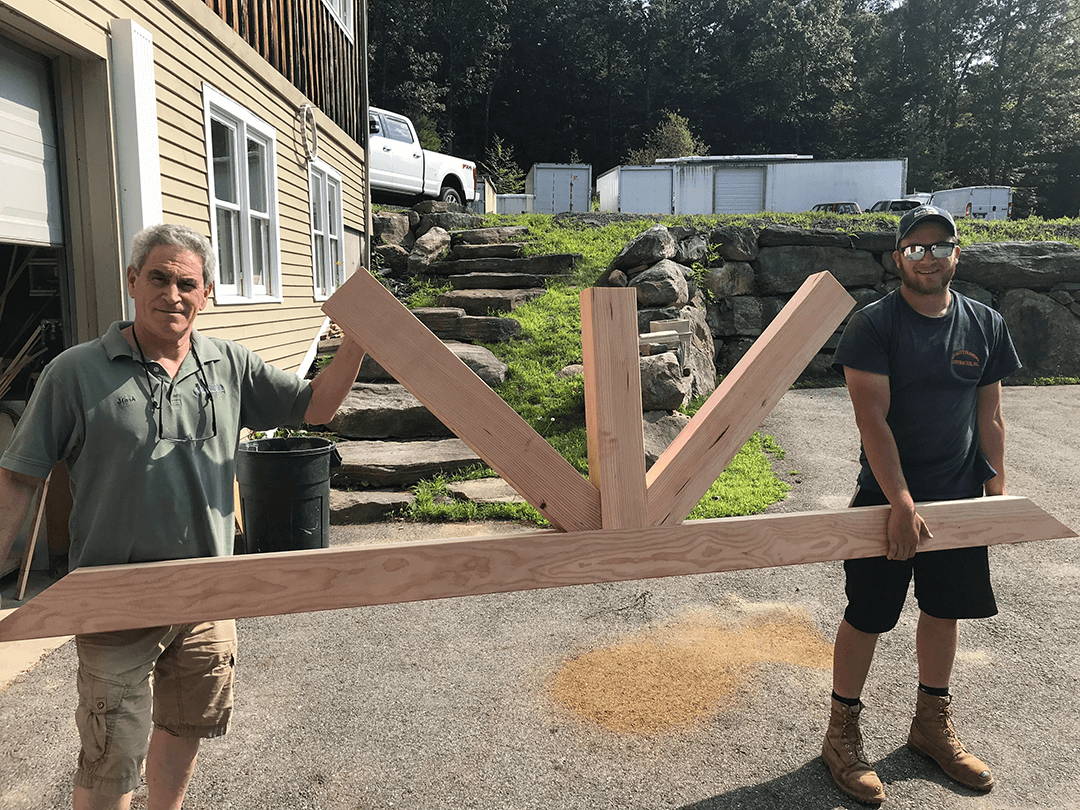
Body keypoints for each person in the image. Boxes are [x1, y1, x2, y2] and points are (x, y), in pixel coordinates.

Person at [0, 223, 366, 810]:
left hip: (208, 594)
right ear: (132, 281)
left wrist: (357, 342)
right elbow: (20, 477)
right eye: (159, 278)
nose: (172, 293)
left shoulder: (230, 364)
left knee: (186, 726)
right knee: (110, 754)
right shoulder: (76, 372)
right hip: (116, 596)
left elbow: (316, 406)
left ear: (208, 293)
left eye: (187, 283)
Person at [821, 205, 1022, 805]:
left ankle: (929, 726)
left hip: (958, 500)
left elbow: (990, 414)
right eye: (916, 248)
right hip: (886, 503)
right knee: (869, 614)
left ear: (956, 254)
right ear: (897, 257)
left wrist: (997, 494)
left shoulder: (984, 323)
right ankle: (841, 735)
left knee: (944, 609)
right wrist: (900, 502)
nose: (928, 257)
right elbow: (872, 421)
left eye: (940, 246)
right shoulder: (874, 326)